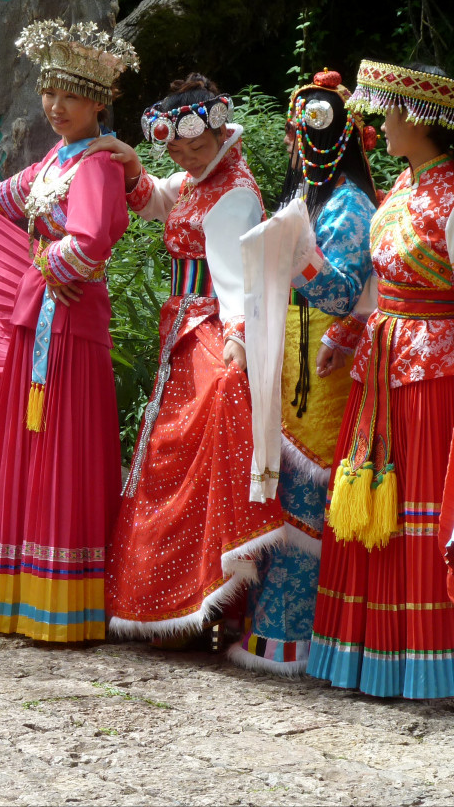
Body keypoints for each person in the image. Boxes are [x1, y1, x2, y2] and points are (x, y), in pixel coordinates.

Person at [306, 59, 454, 698]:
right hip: (381, 368)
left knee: (415, 515)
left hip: (429, 381)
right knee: (370, 511)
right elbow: (377, 288)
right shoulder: (398, 191)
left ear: (421, 119)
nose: (381, 121)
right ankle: (365, 655)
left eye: (391, 111)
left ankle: (425, 661)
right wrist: (342, 336)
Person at [0, 19, 139, 644]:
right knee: (33, 440)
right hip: (42, 317)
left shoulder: (100, 166)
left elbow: (90, 242)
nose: (55, 106)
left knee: (62, 442)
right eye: (49, 92)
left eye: (70, 96)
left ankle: (62, 598)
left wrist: (42, 263)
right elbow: (7, 195)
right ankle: (19, 585)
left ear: (98, 103)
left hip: (71, 317)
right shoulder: (60, 157)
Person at [91, 74, 286, 644]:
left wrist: (239, 341)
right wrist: (131, 165)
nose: (187, 157)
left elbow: (239, 279)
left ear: (223, 135)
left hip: (210, 327)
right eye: (177, 150)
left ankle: (194, 598)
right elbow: (158, 199)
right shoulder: (202, 179)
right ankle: (174, 601)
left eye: (196, 147)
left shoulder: (235, 193)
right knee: (167, 449)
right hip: (185, 325)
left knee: (188, 445)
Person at [230, 69, 379, 674]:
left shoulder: (351, 204)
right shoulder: (307, 201)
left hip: (327, 368)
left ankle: (299, 640)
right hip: (288, 363)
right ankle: (270, 631)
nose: (302, 148)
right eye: (299, 135)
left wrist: (298, 259)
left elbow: (346, 295)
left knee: (308, 503)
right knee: (279, 498)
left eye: (313, 136)